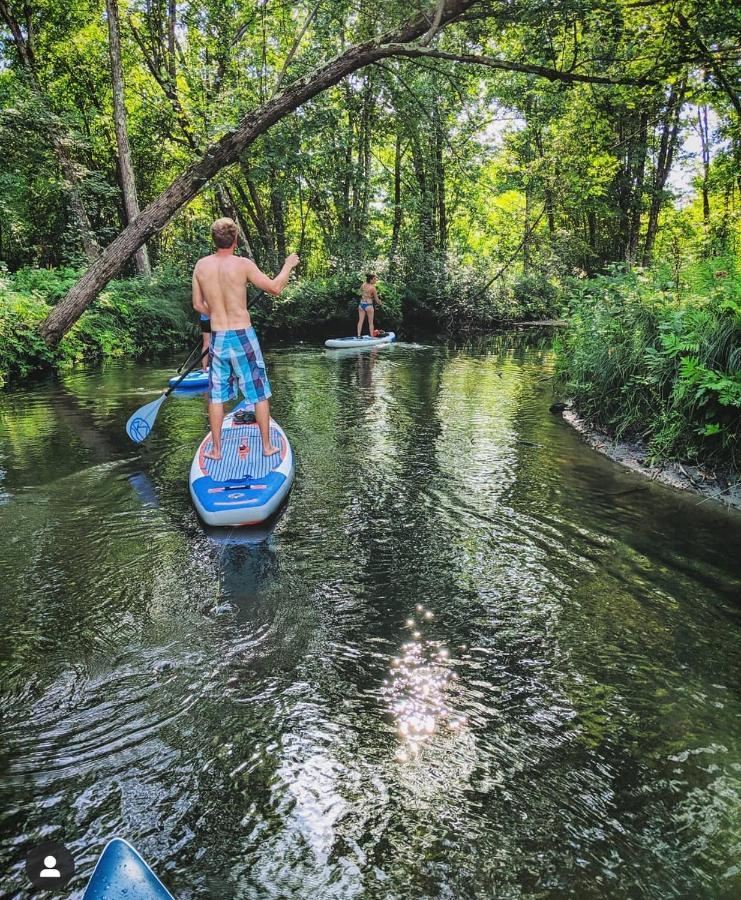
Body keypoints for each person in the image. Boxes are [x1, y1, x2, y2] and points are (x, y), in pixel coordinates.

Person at [192, 217, 299, 460]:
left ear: (214, 239)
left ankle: (217, 451)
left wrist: (218, 313)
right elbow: (274, 288)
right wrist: (288, 265)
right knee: (258, 391)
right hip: (242, 334)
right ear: (236, 240)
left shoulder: (201, 266)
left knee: (216, 395)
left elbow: (197, 304)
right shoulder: (242, 264)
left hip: (218, 336)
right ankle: (267, 447)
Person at [358, 273, 382, 338]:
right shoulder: (373, 288)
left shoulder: (363, 285)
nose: (375, 280)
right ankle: (372, 337)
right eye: (374, 279)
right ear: (371, 279)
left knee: (360, 321)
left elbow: (361, 292)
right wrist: (381, 303)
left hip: (361, 304)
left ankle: (359, 335)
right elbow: (377, 300)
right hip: (369, 305)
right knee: (371, 322)